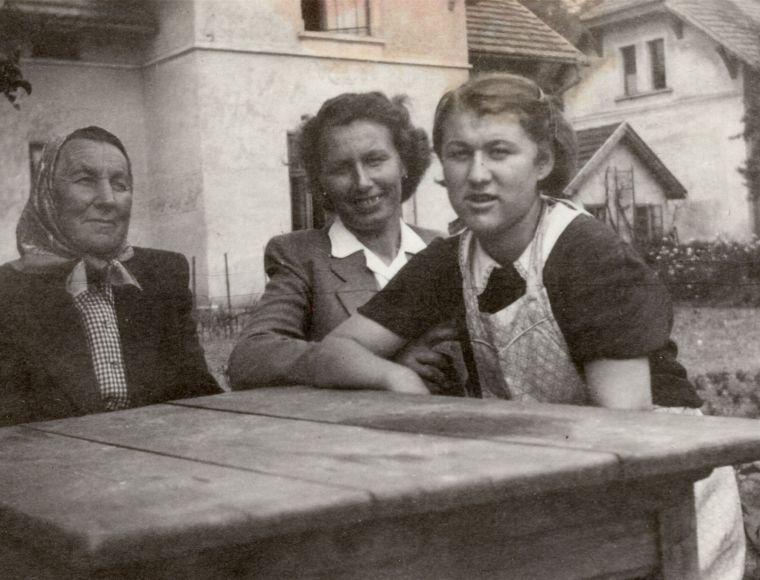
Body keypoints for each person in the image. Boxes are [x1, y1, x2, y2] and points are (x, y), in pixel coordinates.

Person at [301, 73, 745, 578]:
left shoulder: (588, 257)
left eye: (499, 152)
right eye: (459, 154)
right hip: (556, 481)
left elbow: (623, 428)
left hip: (662, 489)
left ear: (543, 162)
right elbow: (333, 352)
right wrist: (395, 377)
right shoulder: (449, 262)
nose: (477, 174)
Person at [0, 126, 221, 431]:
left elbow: (198, 394)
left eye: (120, 184)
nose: (108, 199)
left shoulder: (163, 275)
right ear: (47, 194)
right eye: (85, 180)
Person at [228, 92, 459, 390]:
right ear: (320, 181)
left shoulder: (443, 248)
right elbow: (250, 357)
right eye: (340, 168)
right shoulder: (302, 256)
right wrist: (372, 366)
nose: (362, 182)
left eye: (375, 161)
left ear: (404, 164)